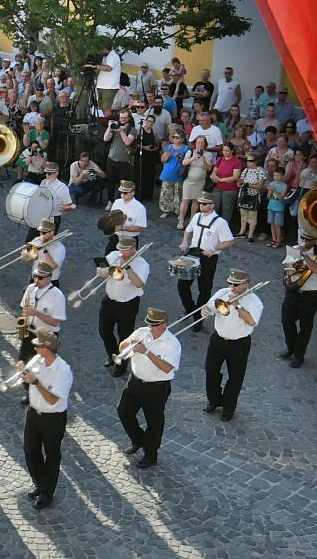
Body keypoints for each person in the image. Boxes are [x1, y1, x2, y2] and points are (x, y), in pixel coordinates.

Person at [117, 307, 181, 469]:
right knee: (123, 411)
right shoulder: (141, 332)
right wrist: (128, 344)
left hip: (157, 387)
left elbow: (167, 368)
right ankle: (138, 440)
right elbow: (121, 348)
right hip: (135, 381)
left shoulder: (172, 343)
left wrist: (146, 352)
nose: (150, 328)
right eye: (149, 324)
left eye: (155, 325)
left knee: (154, 422)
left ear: (164, 325)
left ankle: (150, 454)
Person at [18, 331, 73, 510]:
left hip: (53, 418)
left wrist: (35, 382)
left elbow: (52, 399)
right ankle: (40, 484)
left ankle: (46, 492)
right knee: (30, 451)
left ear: (47, 348)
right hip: (33, 413)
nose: (34, 348)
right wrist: (24, 374)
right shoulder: (36, 361)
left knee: (52, 455)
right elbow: (29, 384)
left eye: (38, 345)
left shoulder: (63, 370)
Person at [202, 268, 262, 420]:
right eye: (230, 283)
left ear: (246, 284)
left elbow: (251, 321)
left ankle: (228, 408)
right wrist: (206, 311)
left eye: (236, 285)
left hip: (239, 344)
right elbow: (210, 307)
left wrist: (237, 305)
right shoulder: (223, 292)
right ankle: (214, 400)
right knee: (211, 370)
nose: (232, 287)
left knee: (235, 377)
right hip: (218, 339)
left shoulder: (254, 301)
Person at [98, 235, 149, 378]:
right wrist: (107, 270)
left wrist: (128, 269)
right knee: (104, 331)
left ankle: (122, 365)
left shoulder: (142, 264)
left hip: (128, 304)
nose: (121, 253)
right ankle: (113, 355)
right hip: (109, 301)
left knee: (125, 336)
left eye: (124, 250)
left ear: (133, 249)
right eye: (120, 249)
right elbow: (99, 271)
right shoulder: (114, 255)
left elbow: (139, 283)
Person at [17, 260, 65, 405]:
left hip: (45, 337)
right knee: (25, 361)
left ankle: (41, 393)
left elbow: (56, 322)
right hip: (29, 332)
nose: (37, 280)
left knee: (42, 367)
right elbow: (23, 308)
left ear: (50, 278)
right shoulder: (30, 289)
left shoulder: (57, 296)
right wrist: (22, 323)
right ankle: (29, 391)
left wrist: (37, 313)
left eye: (41, 278)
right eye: (36, 276)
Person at [178, 194, 235, 317]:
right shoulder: (197, 216)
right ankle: (190, 309)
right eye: (200, 203)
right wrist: (185, 241)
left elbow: (230, 242)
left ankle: (198, 316)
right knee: (182, 284)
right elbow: (188, 230)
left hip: (209, 257)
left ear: (212, 205)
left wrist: (214, 249)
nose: (201, 206)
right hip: (193, 253)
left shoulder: (220, 222)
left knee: (204, 289)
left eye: (204, 204)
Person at [279, 236, 317, 368]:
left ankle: (299, 356)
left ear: (315, 241)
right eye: (302, 238)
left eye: (308, 240)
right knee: (286, 320)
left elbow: (316, 269)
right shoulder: (294, 249)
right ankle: (291, 348)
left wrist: (304, 256)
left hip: (310, 296)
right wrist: (293, 266)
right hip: (293, 292)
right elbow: (286, 267)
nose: (304, 242)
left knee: (305, 327)